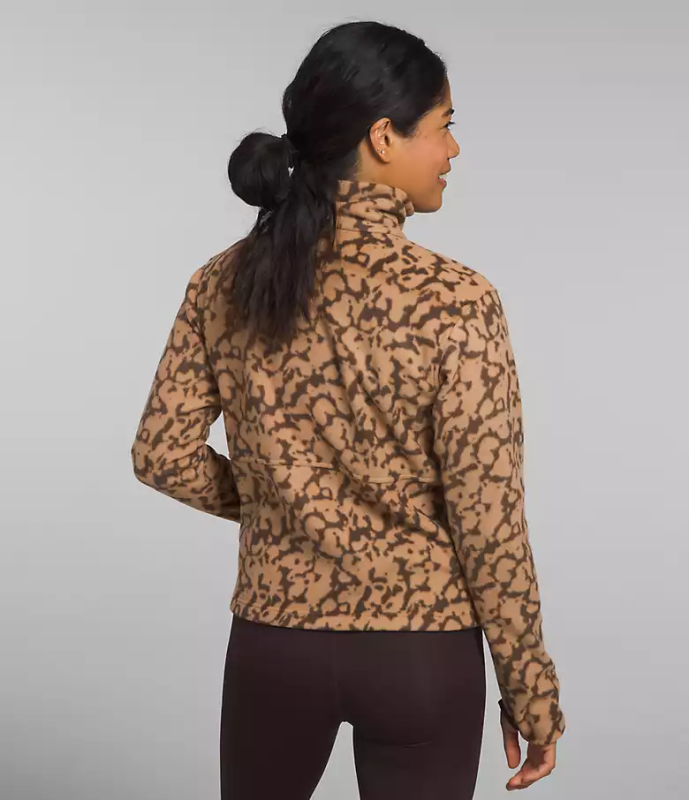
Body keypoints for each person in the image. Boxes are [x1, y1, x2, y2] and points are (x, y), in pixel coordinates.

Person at [130, 19, 565, 800]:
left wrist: (287, 506)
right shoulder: (456, 301)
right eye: (443, 126)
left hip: (274, 645)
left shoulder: (221, 284)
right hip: (421, 655)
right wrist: (530, 688)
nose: (453, 149)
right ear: (383, 137)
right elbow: (487, 519)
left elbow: (161, 456)